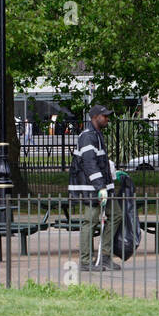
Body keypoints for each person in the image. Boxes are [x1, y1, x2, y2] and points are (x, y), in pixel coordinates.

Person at [68, 104, 123, 271]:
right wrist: (100, 187)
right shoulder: (87, 136)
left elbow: (98, 162)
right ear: (94, 117)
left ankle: (105, 256)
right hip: (90, 187)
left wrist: (112, 173)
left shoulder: (96, 135)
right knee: (90, 220)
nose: (107, 119)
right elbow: (89, 163)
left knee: (116, 215)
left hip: (101, 186)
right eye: (104, 116)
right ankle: (85, 261)